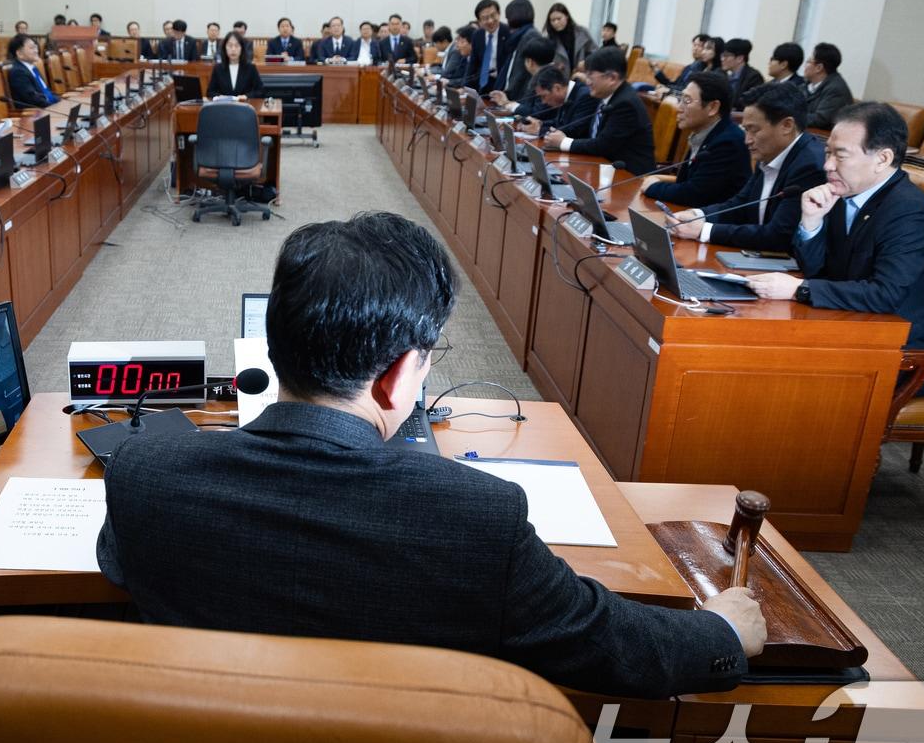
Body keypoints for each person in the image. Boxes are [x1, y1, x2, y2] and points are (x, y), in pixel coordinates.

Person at [96, 211, 766, 699]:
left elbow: (121, 561)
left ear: (274, 347)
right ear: (396, 376)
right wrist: (722, 635)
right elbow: (607, 641)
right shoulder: (477, 516)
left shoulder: (146, 473)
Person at [746, 103, 924, 394]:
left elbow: (885, 294)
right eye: (828, 152)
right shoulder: (843, 193)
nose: (827, 165)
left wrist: (799, 289)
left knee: (782, 373)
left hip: (904, 354)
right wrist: (812, 223)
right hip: (852, 329)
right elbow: (821, 271)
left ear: (882, 159)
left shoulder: (908, 209)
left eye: (840, 155)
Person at [666, 82, 825, 253]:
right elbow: (740, 204)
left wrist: (703, 230)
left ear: (786, 125)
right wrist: (697, 215)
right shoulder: (770, 152)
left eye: (754, 130)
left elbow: (779, 236)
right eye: (746, 130)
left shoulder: (809, 166)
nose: (747, 140)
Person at [640, 72, 750, 206]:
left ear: (712, 107)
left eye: (687, 100)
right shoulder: (705, 132)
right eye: (681, 99)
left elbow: (694, 194)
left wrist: (653, 187)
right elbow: (686, 182)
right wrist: (656, 178)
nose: (679, 108)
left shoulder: (728, 142)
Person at [542, 46, 656, 175]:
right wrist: (555, 135)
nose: (587, 82)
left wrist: (563, 142)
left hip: (631, 177)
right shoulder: (606, 96)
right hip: (605, 169)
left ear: (612, 78)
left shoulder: (625, 103)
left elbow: (603, 145)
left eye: (591, 76)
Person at [514, 64, 599, 135]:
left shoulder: (585, 96)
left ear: (557, 88)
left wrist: (540, 130)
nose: (543, 102)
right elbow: (559, 122)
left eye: (544, 96)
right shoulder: (567, 95)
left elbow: (575, 130)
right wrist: (540, 123)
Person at [489, 37, 560, 114]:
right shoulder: (550, 74)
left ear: (530, 62)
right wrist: (507, 102)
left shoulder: (546, 81)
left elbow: (536, 113)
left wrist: (508, 104)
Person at [804, 42, 854, 129]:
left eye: (808, 61)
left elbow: (821, 119)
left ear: (818, 68)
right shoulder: (806, 85)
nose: (805, 66)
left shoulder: (836, 89)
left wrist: (792, 117)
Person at [739, 41, 804, 108]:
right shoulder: (769, 84)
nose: (769, 63)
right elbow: (746, 99)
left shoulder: (799, 87)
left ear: (783, 64)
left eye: (772, 59)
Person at [6, 33, 58, 108]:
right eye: (31, 48)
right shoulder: (18, 72)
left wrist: (61, 102)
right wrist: (56, 107)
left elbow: (46, 92)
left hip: (48, 107)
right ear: (19, 53)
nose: (36, 51)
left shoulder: (33, 68)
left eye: (36, 47)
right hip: (35, 113)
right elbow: (33, 100)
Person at [206, 32, 263, 99]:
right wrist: (219, 97)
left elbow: (260, 91)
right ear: (225, 48)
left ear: (242, 48)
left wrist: (246, 96)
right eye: (230, 46)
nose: (233, 49)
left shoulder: (250, 68)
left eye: (237, 46)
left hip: (244, 106)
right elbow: (210, 92)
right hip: (224, 106)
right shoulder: (218, 68)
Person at [466, 0, 505, 94]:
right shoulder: (477, 35)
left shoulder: (508, 33)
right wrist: (466, 87)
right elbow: (472, 65)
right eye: (485, 18)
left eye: (493, 15)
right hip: (481, 85)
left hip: (501, 87)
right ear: (479, 21)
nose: (490, 21)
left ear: (499, 14)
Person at [543, 2, 596, 72]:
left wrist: (586, 62)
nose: (556, 23)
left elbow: (595, 52)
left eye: (559, 19)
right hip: (559, 78)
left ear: (566, 16)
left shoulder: (582, 33)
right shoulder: (549, 39)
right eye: (553, 20)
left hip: (581, 76)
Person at [720, 39, 764, 110]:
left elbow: (750, 104)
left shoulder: (754, 77)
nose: (722, 59)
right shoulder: (726, 76)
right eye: (722, 55)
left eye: (726, 56)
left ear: (740, 58)